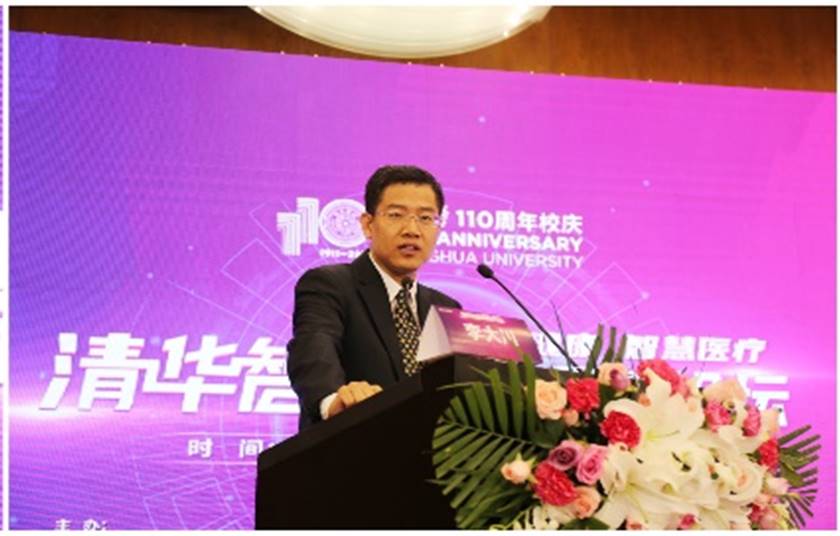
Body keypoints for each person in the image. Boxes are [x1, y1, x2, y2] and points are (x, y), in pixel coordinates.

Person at [287, 165, 461, 430]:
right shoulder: (330, 285)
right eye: (396, 215)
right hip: (351, 444)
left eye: (426, 218)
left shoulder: (446, 308)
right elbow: (314, 347)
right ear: (368, 225)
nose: (412, 230)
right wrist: (333, 401)